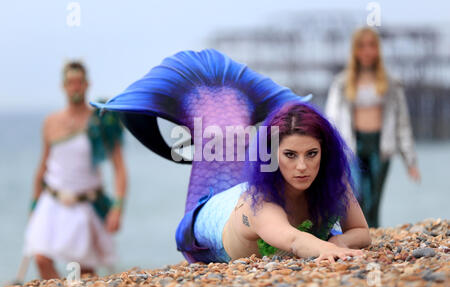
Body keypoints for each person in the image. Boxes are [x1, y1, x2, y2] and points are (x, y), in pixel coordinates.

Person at [91, 48, 368, 265]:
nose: (302, 166)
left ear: (325, 152)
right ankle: (210, 97)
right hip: (210, 220)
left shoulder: (334, 184)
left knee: (226, 137)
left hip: (241, 190)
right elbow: (294, 240)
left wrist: (340, 244)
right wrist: (330, 246)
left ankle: (219, 103)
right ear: (272, 153)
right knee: (222, 139)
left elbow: (362, 233)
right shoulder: (260, 203)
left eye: (312, 154)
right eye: (290, 154)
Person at [24, 61, 127, 280]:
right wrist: (34, 203)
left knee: (85, 273)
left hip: (85, 204)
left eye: (79, 82)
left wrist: (118, 206)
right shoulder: (51, 122)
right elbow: (43, 165)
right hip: (51, 200)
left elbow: (119, 168)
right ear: (64, 86)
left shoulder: (100, 120)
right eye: (71, 83)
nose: (75, 87)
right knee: (41, 257)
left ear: (87, 84)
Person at [325, 27, 421, 228]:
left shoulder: (392, 84)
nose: (367, 51)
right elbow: (331, 120)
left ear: (378, 50)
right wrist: (328, 156)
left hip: (380, 145)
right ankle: (357, 232)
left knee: (374, 199)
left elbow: (402, 123)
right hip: (352, 146)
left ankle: (374, 237)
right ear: (354, 51)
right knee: (357, 194)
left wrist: (410, 161)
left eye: (371, 46)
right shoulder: (341, 83)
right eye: (361, 46)